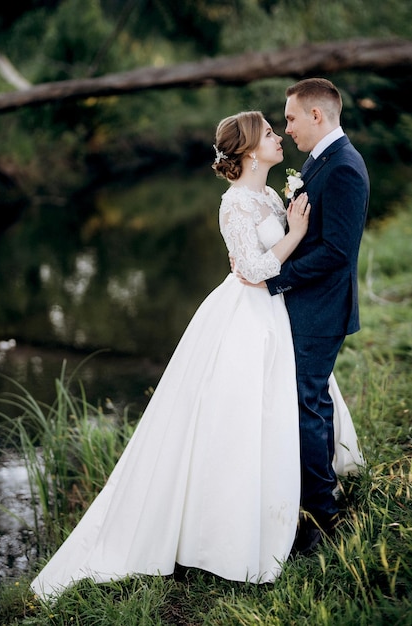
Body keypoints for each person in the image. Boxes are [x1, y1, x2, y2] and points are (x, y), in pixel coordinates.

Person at [30, 111, 362, 599]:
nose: (278, 136)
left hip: (277, 313)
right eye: (271, 132)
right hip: (247, 313)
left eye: (279, 127)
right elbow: (251, 270)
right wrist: (292, 234)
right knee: (240, 414)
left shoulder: (270, 195)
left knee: (280, 407)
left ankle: (296, 500)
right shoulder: (233, 205)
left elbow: (276, 258)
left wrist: (292, 227)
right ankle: (231, 529)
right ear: (250, 151)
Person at [261, 78, 370, 554]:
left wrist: (274, 277)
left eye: (289, 118)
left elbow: (337, 252)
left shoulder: (343, 167)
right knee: (311, 402)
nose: (286, 129)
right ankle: (319, 502)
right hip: (308, 304)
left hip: (321, 308)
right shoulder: (319, 159)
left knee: (306, 404)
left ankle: (323, 519)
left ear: (316, 115)